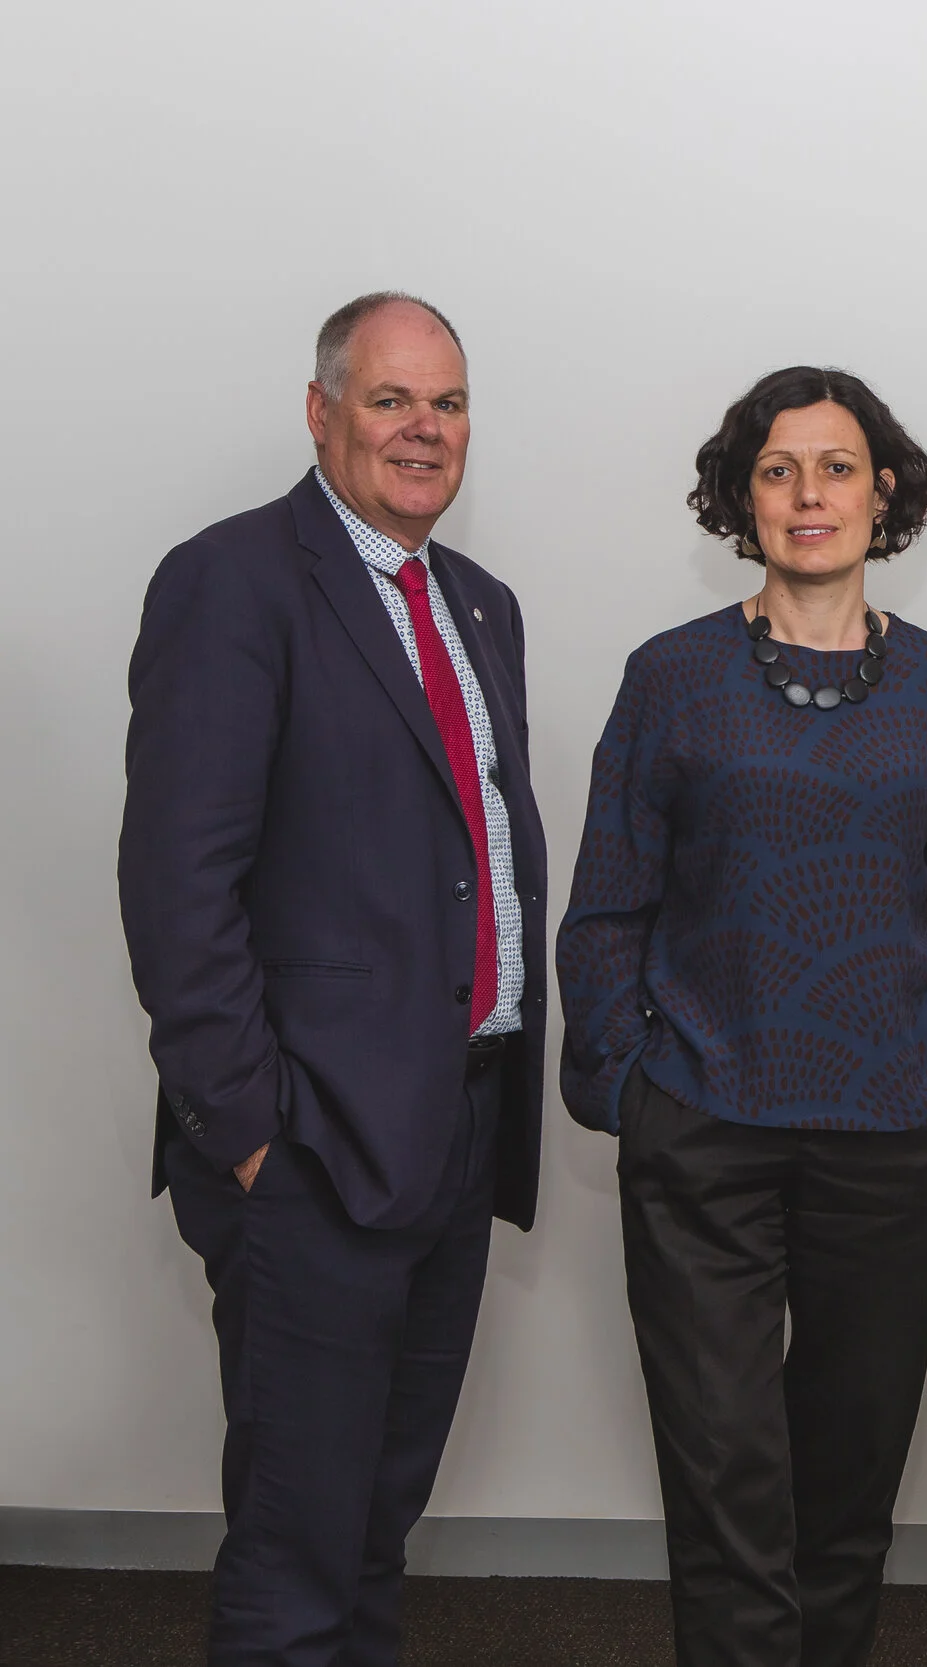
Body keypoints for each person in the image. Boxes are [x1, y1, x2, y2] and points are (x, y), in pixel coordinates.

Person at [555, 367, 927, 1667]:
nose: (809, 493)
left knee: (848, 1488)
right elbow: (608, 905)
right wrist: (628, 1087)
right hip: (705, 1123)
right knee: (727, 1486)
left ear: (886, 492)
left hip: (897, 1134)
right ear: (741, 497)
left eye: (837, 466)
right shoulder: (674, 678)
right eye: (778, 467)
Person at [118, 291, 548, 1664]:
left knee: (374, 1524)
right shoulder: (235, 581)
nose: (425, 429)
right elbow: (178, 882)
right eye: (391, 399)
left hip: (458, 1130)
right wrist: (248, 1129)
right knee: (298, 1549)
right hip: (308, 1148)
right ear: (321, 412)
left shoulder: (479, 605)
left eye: (450, 402)